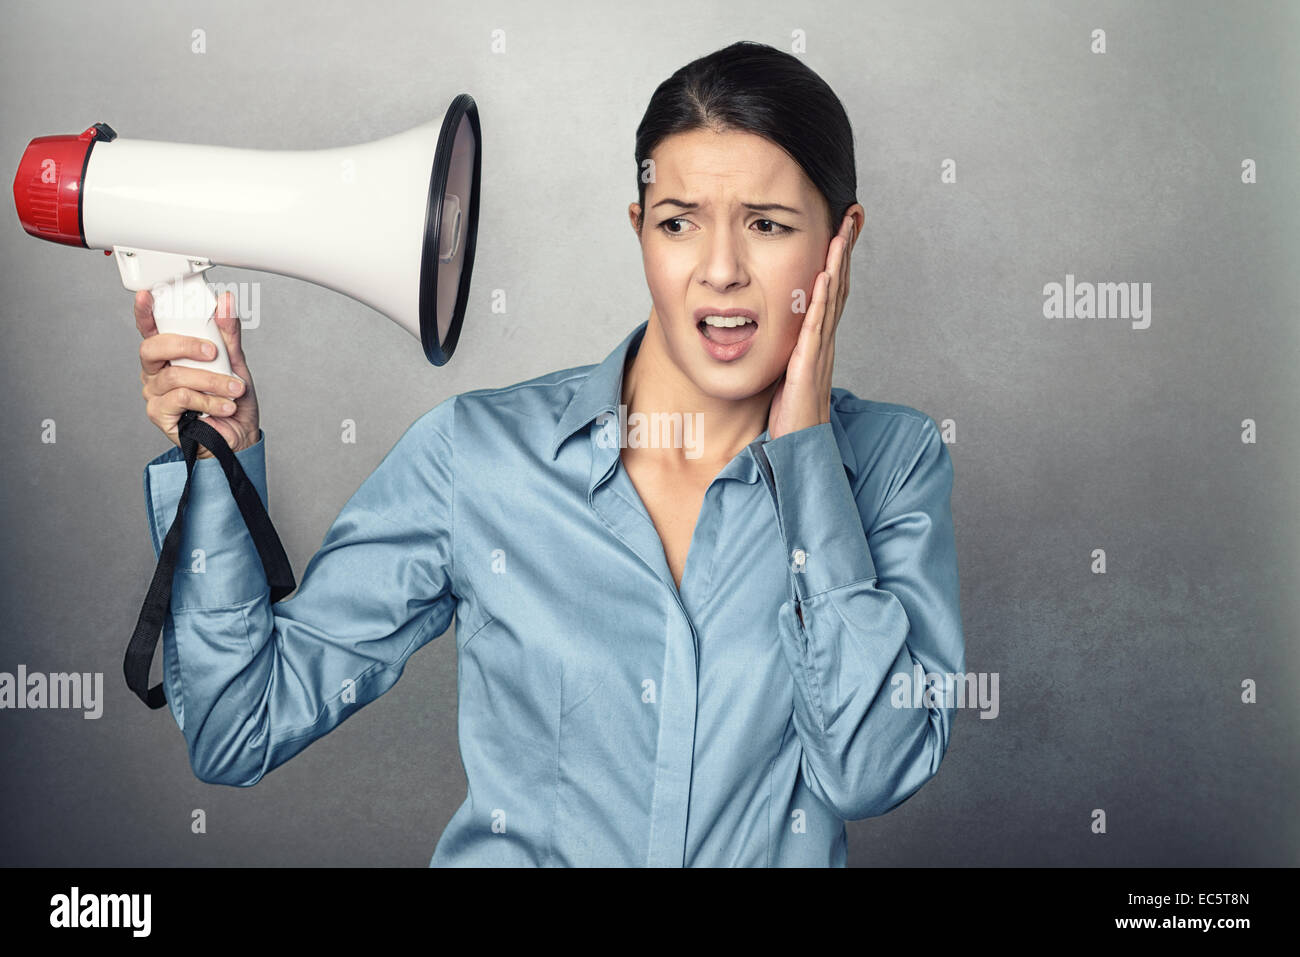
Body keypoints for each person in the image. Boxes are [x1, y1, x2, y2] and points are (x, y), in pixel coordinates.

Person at [135, 40, 964, 867]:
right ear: (640, 230)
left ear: (839, 243)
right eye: (680, 223)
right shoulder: (478, 456)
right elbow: (236, 730)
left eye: (767, 225)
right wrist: (220, 467)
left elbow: (871, 769)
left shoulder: (890, 464)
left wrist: (807, 449)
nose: (720, 271)